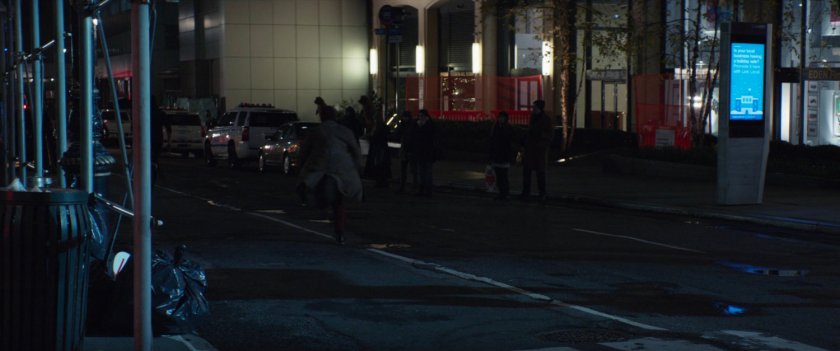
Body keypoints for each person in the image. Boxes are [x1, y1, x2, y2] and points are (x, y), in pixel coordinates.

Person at [298, 105, 363, 244]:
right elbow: (356, 151)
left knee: (308, 184)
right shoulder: (344, 131)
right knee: (340, 201)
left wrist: (301, 168)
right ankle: (340, 231)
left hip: (321, 167)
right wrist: (357, 168)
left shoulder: (316, 131)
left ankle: (306, 196)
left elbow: (304, 152)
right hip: (342, 168)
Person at [520, 100, 553, 202]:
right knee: (527, 172)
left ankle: (542, 193)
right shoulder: (534, 118)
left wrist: (541, 139)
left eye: (534, 107)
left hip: (539, 150)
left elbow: (549, 135)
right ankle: (526, 192)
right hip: (531, 148)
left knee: (540, 173)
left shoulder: (545, 120)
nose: (533, 109)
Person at [489, 111, 514, 200]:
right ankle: (501, 193)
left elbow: (510, 142)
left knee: (504, 175)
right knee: (499, 176)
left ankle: (505, 193)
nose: (501, 119)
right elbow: (492, 141)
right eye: (500, 117)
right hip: (497, 154)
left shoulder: (507, 128)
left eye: (502, 118)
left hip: (504, 154)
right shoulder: (495, 127)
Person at [411, 109, 436, 196]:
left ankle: (427, 189)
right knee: (421, 171)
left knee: (427, 171)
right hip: (420, 151)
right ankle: (423, 188)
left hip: (427, 151)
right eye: (419, 116)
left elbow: (429, 136)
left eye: (422, 116)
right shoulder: (418, 124)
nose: (420, 118)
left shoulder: (429, 124)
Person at [364, 108, 391, 188]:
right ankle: (381, 181)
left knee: (379, 164)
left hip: (379, 148)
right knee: (380, 165)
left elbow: (378, 137)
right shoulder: (380, 126)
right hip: (379, 148)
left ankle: (381, 181)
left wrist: (371, 137)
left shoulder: (378, 127)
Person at [151, 95, 171, 185]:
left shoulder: (145, 112)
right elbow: (168, 128)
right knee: (154, 159)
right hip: (158, 140)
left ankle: (152, 175)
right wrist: (168, 141)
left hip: (148, 141)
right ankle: (154, 174)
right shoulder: (160, 113)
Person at [395, 111, 417, 194]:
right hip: (406, 149)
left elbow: (399, 135)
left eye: (405, 117)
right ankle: (405, 186)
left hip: (409, 149)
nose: (404, 119)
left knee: (411, 169)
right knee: (405, 169)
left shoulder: (409, 125)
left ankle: (412, 187)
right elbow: (397, 134)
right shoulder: (406, 125)